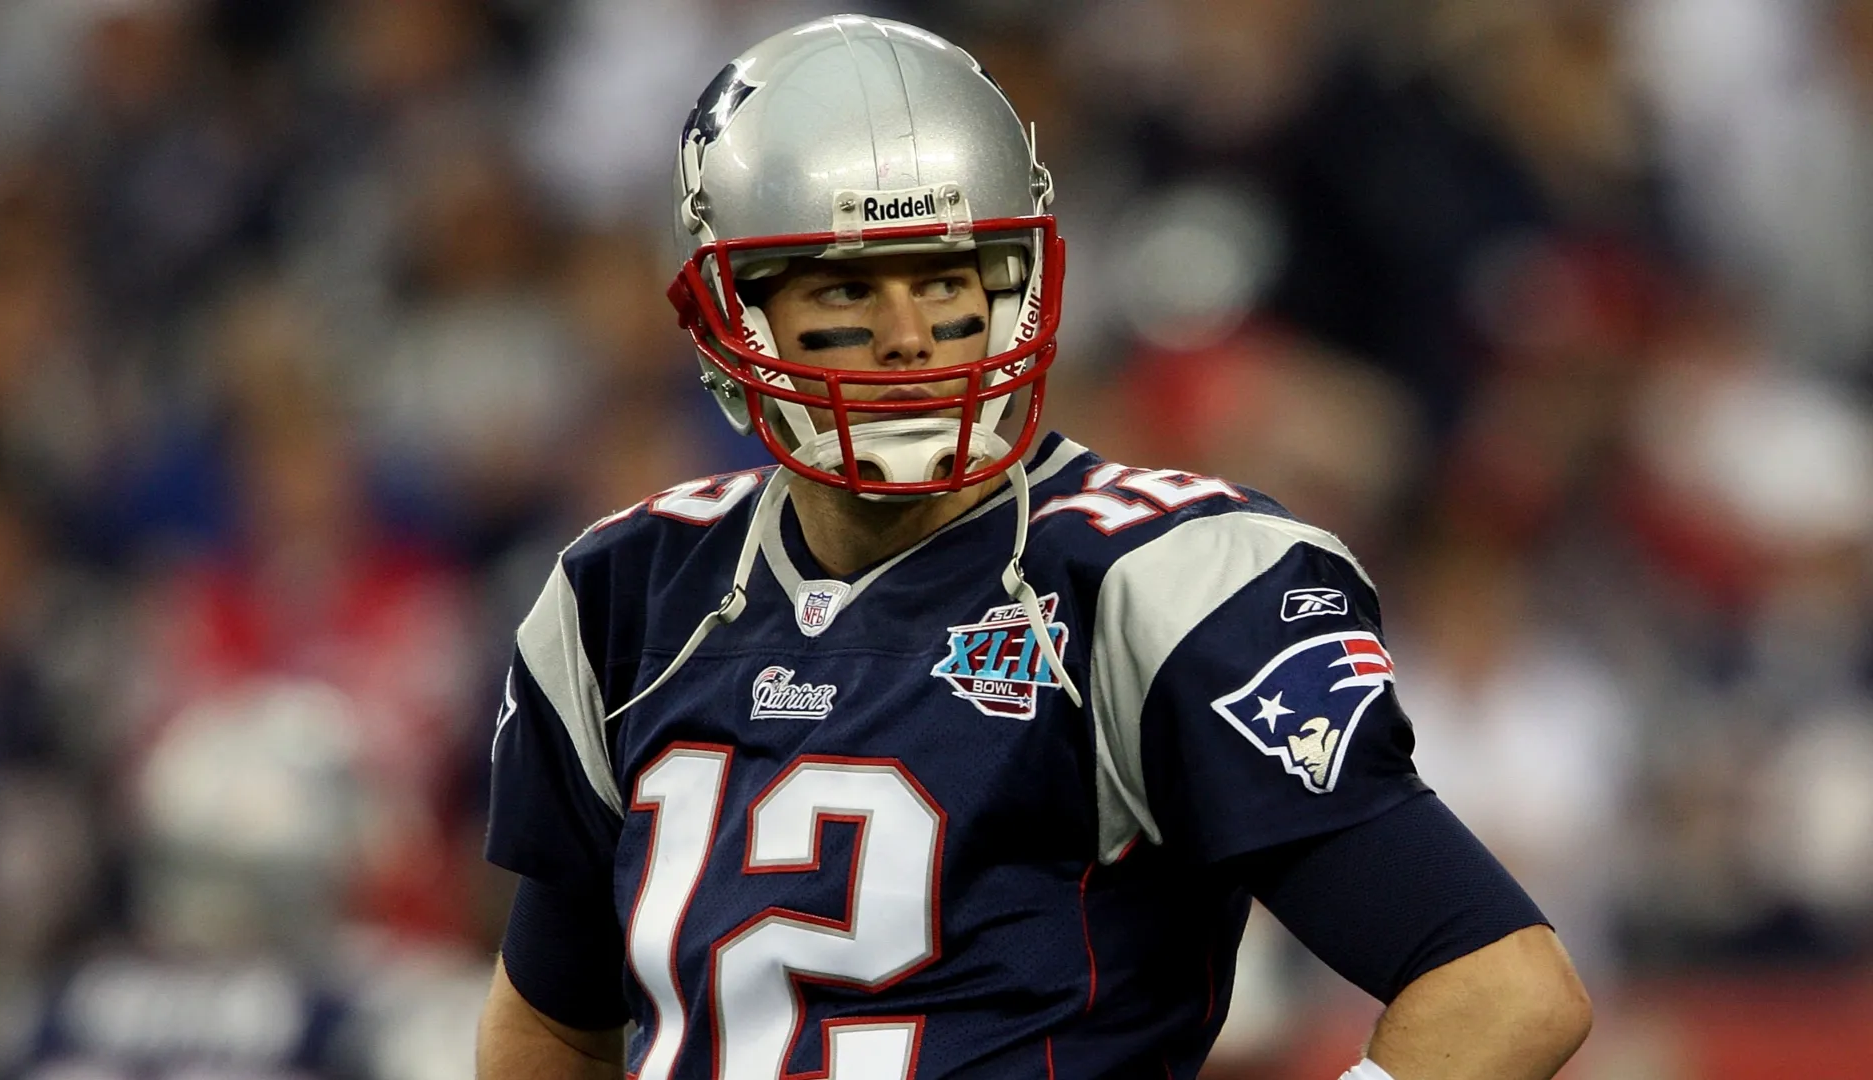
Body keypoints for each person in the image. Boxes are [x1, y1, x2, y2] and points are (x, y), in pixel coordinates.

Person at [475, 15, 1591, 1080]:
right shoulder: (625, 595)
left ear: (1022, 281)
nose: (909, 337)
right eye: (849, 287)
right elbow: (552, 1022)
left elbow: (1502, 986)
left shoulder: (1152, 584)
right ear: (734, 310)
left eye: (948, 279)